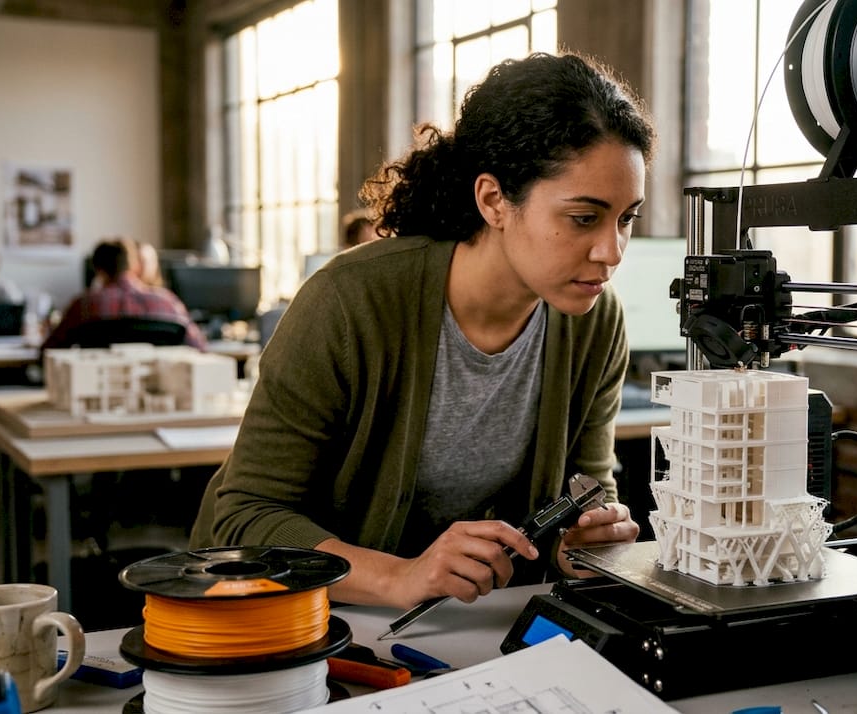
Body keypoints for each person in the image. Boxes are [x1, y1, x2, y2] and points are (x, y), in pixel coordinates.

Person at [190, 51, 654, 611]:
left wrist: (582, 542)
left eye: (626, 218)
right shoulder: (349, 300)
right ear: (493, 200)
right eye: (583, 218)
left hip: (466, 627)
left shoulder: (596, 321)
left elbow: (586, 487)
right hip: (301, 621)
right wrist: (399, 577)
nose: (611, 251)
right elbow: (242, 517)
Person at [40, 239, 209, 351]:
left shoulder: (83, 306)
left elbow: (48, 351)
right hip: (158, 398)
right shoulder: (168, 302)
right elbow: (200, 349)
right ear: (135, 266)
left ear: (99, 271)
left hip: (99, 397)